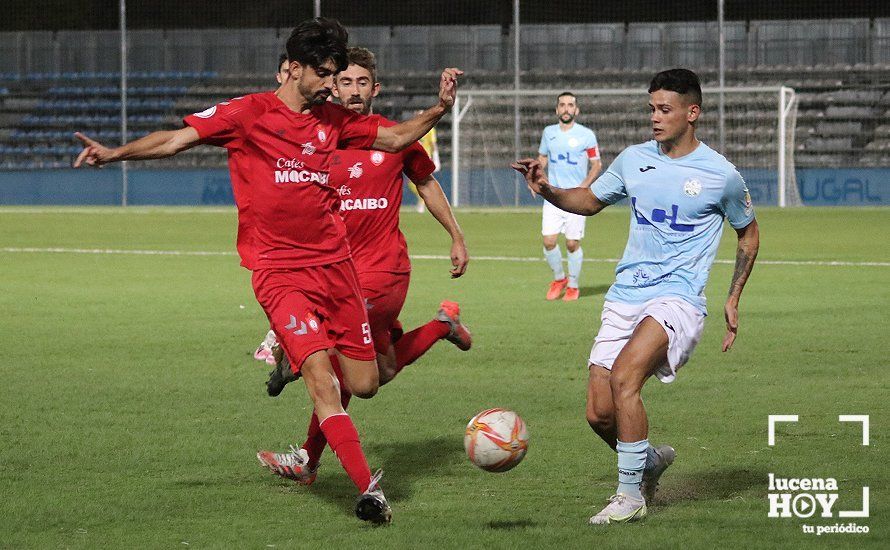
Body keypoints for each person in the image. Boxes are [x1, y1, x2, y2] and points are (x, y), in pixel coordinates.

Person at [73, 17, 463, 525]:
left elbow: (393, 139)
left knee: (365, 382)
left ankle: (310, 352)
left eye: (337, 74)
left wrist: (438, 109)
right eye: (325, 74)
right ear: (294, 68)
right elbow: (176, 139)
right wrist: (114, 153)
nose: (332, 85)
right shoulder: (248, 113)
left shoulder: (334, 120)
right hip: (279, 272)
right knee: (324, 382)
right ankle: (368, 490)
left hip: (336, 268)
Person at [512, 69, 760, 525]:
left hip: (679, 299)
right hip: (627, 292)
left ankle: (630, 497)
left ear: (692, 113)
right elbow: (589, 202)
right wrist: (546, 189)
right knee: (599, 412)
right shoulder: (633, 159)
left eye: (665, 110)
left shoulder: (721, 174)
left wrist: (733, 296)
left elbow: (748, 232)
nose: (655, 118)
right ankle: (647, 462)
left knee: (626, 377)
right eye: (651, 109)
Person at [255, 47, 471, 484]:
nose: (354, 91)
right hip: (331, 274)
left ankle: (307, 461)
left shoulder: (394, 136)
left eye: (362, 83)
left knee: (340, 372)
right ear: (332, 86)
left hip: (381, 274)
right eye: (346, 82)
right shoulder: (316, 139)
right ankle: (441, 324)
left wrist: (456, 234)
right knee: (381, 369)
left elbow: (426, 182)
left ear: (376, 88)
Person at [537, 92, 602, 302]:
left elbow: (597, 164)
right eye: (562, 105)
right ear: (557, 110)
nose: (566, 108)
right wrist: (536, 177)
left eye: (570, 105)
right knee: (548, 241)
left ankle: (573, 285)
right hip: (554, 196)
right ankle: (559, 279)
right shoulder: (549, 133)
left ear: (576, 110)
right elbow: (542, 159)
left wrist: (584, 187)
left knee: (572, 244)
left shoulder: (587, 135)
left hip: (576, 198)